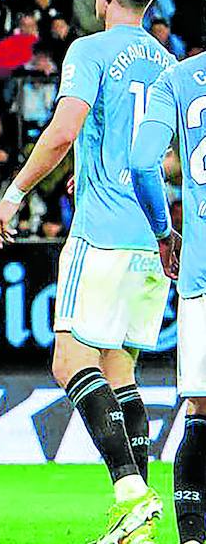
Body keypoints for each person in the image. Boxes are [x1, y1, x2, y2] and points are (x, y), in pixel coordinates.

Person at [0, 0, 172, 544]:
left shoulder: (89, 51)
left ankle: (129, 491)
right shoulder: (166, 63)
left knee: (68, 360)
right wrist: (97, 163)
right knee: (122, 372)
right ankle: (138, 519)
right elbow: (161, 155)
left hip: (102, 232)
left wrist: (16, 192)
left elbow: (64, 127)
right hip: (153, 234)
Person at [127, 30, 206, 544]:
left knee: (200, 414)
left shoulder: (177, 78)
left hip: (202, 275)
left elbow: (140, 162)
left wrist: (163, 231)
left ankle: (194, 537)